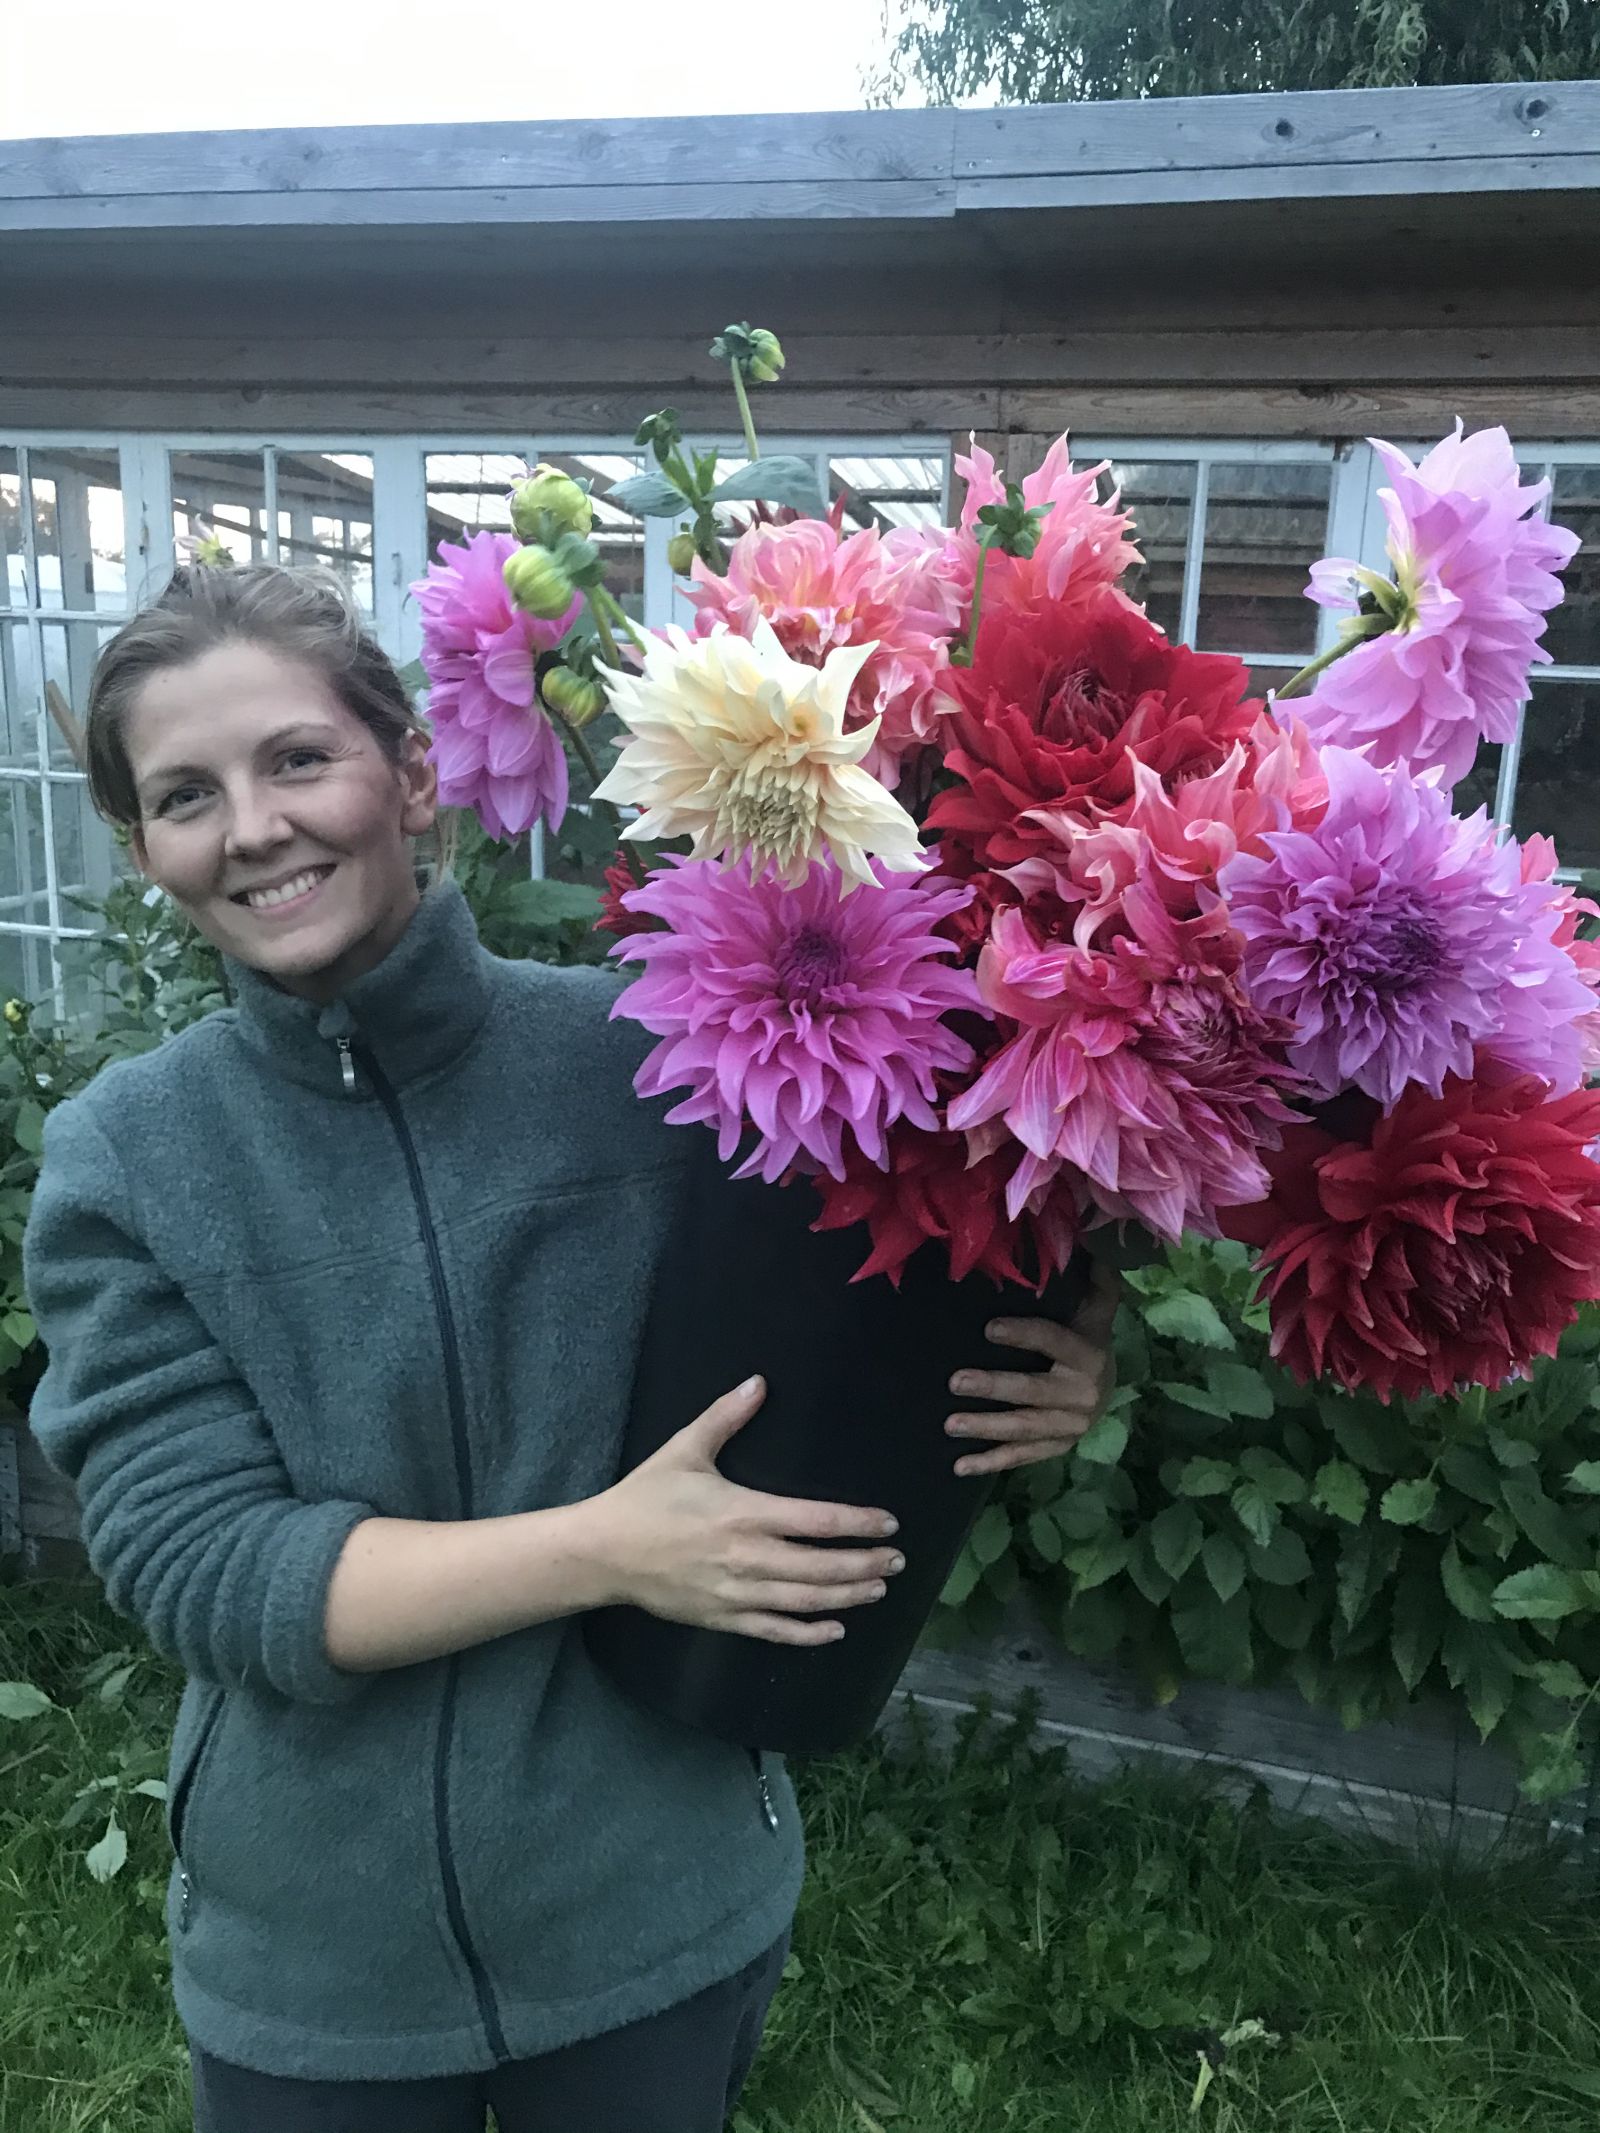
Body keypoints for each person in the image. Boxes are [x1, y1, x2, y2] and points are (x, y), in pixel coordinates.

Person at [23, 562, 1116, 2133]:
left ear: (409, 773)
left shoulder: (669, 1055)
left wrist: (1068, 1351)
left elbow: (925, 1243)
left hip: (653, 1907)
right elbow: (210, 1567)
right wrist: (611, 1549)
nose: (252, 824)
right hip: (315, 1961)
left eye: (297, 759)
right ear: (144, 852)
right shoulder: (127, 1158)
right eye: (186, 794)